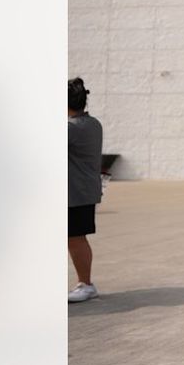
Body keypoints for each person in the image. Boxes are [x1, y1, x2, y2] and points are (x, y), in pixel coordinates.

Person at [68, 77, 103, 303]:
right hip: (82, 190)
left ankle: (86, 283)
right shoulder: (92, 123)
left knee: (75, 238)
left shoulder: (71, 128)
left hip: (76, 193)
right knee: (76, 237)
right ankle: (85, 282)